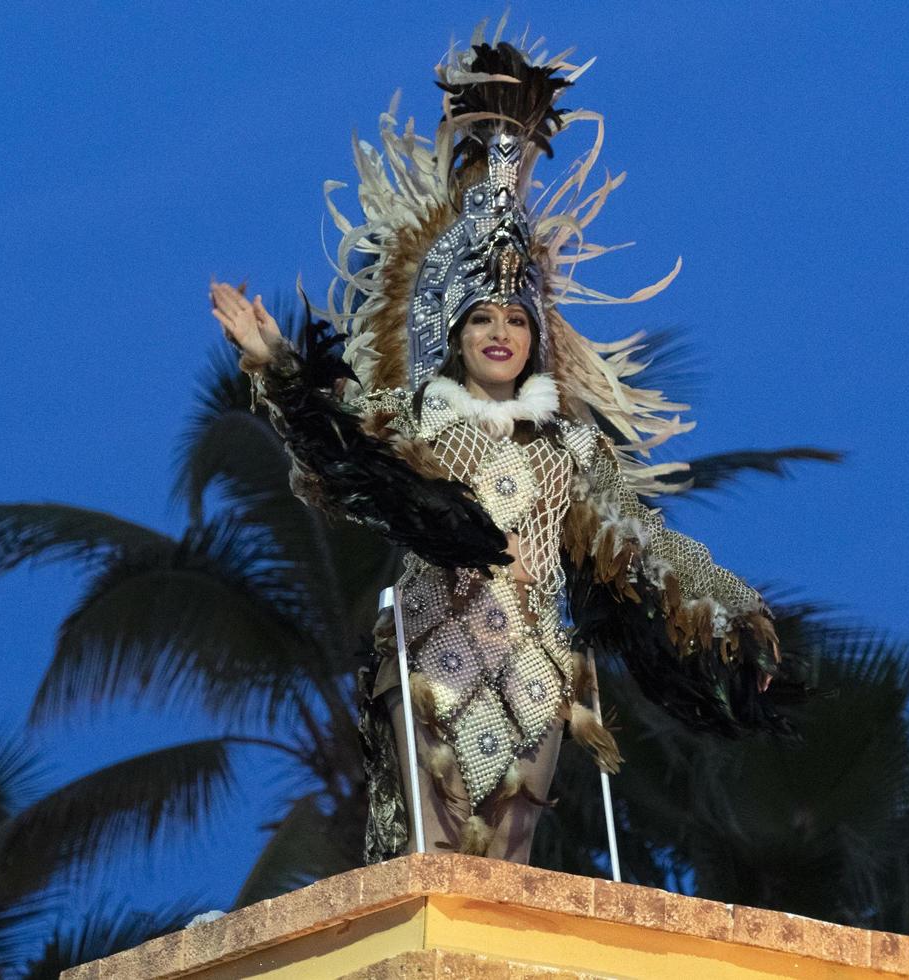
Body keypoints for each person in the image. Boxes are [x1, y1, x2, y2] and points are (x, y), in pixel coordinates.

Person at [209, 30, 794, 865]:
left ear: (535, 336)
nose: (500, 332)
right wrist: (278, 368)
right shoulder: (417, 417)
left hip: (534, 677)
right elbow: (337, 451)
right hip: (429, 664)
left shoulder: (570, 450)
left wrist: (733, 611)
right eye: (482, 318)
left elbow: (645, 541)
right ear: (453, 333)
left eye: (516, 319)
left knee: (507, 881)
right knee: (429, 870)